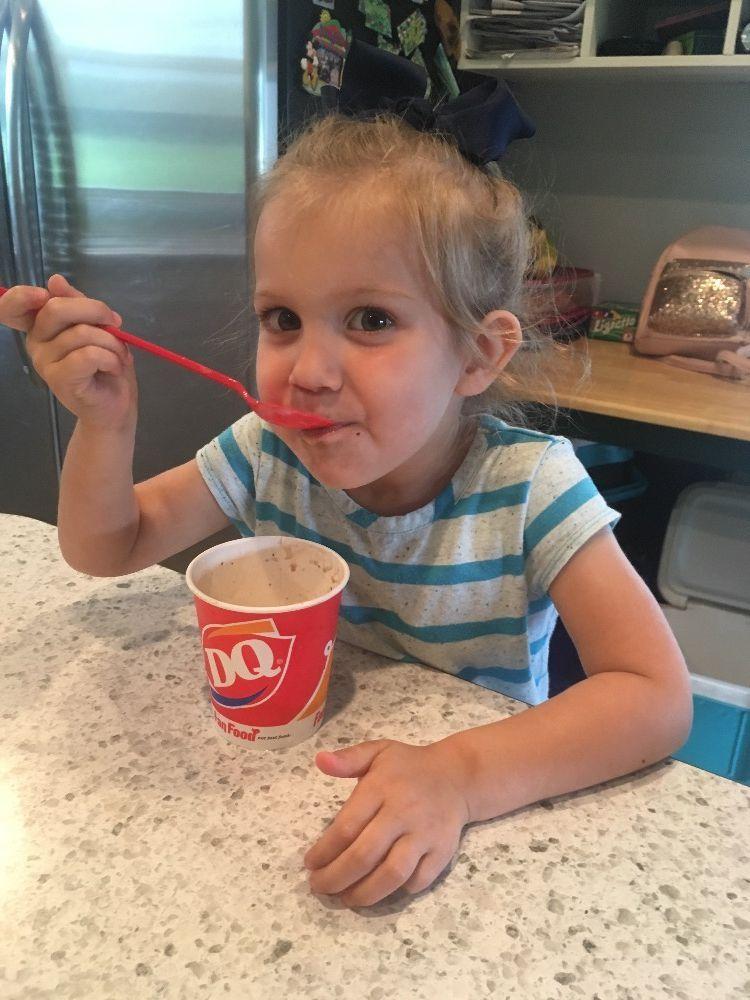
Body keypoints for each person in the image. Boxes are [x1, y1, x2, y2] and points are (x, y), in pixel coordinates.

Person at [1, 111, 692, 910]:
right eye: (283, 320)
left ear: (477, 355)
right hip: (285, 801)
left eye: (371, 320)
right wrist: (104, 423)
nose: (308, 370)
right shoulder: (269, 451)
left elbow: (654, 697)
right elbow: (109, 547)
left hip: (481, 832)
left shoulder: (530, 487)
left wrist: (460, 775)